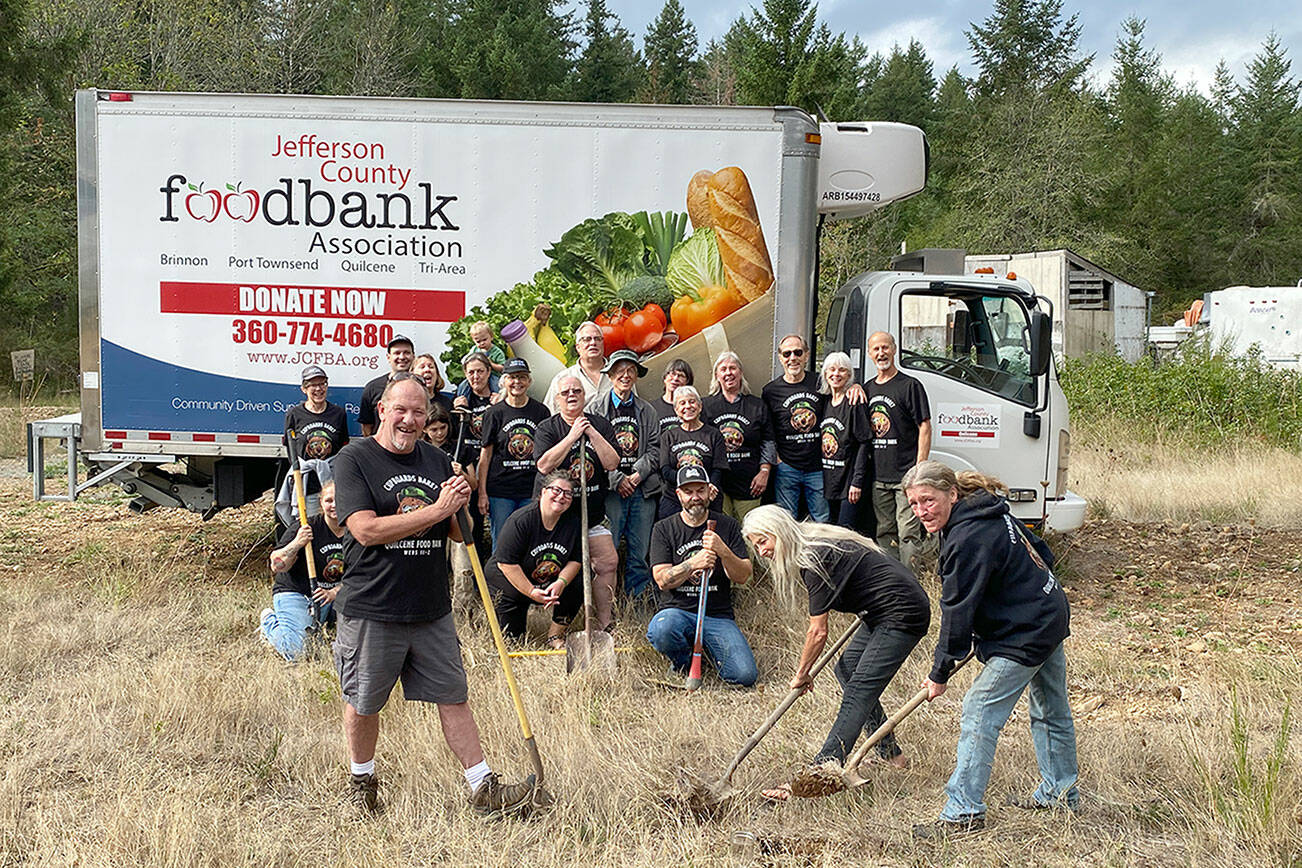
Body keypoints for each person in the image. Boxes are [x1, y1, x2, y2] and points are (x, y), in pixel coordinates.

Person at [331, 376, 536, 816]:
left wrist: (459, 501)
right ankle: (361, 780)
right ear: (382, 410)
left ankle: (483, 787)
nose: (410, 419)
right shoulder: (355, 459)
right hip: (373, 606)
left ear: (428, 416)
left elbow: (461, 534)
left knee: (453, 695)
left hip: (430, 606)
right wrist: (438, 509)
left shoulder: (438, 460)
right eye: (401, 410)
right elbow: (365, 530)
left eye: (419, 412)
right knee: (364, 702)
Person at [903, 460, 1077, 839]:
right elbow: (1041, 553)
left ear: (951, 494)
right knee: (1050, 708)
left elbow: (956, 611)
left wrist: (940, 672)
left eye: (928, 500)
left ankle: (963, 812)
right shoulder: (985, 508)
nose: (921, 511)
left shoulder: (970, 537)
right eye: (914, 504)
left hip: (1028, 628)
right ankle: (1060, 795)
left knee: (980, 708)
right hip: (1048, 610)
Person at [740, 505, 929, 799]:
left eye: (763, 541)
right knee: (847, 669)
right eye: (755, 544)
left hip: (902, 612)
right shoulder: (812, 542)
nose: (761, 550)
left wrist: (801, 674)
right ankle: (891, 754)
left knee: (859, 689)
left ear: (779, 531)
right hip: (880, 612)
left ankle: (822, 770)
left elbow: (817, 632)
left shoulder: (815, 558)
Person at [647, 466, 756, 686]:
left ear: (709, 491)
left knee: (744, 676)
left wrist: (722, 550)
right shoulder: (663, 529)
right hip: (678, 611)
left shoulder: (727, 526)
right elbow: (662, 580)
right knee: (662, 629)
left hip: (717, 615)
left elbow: (743, 576)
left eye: (700, 490)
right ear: (679, 495)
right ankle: (683, 662)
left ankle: (709, 651)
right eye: (688, 492)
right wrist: (692, 563)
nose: (695, 497)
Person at [534, 374, 621, 632]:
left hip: (592, 513)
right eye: (565, 393)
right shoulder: (548, 428)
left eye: (577, 391)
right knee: (568, 573)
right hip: (559, 518)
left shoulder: (601, 425)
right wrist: (572, 437)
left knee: (608, 562)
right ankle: (556, 631)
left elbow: (612, 463)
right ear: (557, 398)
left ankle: (605, 624)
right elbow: (543, 465)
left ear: (584, 396)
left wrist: (590, 432)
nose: (571, 395)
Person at [589, 350, 662, 599]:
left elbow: (655, 448)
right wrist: (617, 479)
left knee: (640, 552)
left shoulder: (647, 411)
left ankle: (636, 604)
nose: (625, 375)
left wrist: (637, 475)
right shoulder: (596, 409)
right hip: (611, 492)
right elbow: (591, 450)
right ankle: (607, 604)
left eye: (631, 370)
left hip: (642, 490)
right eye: (619, 370)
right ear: (609, 374)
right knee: (607, 552)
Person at [485, 471, 583, 647]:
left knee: (579, 580)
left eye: (568, 493)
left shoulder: (573, 522)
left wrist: (561, 582)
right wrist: (531, 592)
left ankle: (555, 635)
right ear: (543, 491)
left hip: (548, 578)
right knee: (513, 642)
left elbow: (576, 560)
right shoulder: (521, 520)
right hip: (511, 579)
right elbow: (506, 564)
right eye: (556, 490)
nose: (561, 496)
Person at [260, 479, 346, 661]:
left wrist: (335, 592)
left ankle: (321, 625)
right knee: (297, 652)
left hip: (335, 596)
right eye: (329, 500)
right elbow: (277, 565)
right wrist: (297, 543)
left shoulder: (357, 530)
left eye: (339, 499)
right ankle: (269, 622)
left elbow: (364, 575)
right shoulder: (306, 526)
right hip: (297, 593)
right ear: (321, 503)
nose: (334, 505)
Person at [867, 331, 932, 571]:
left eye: (885, 347)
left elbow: (924, 426)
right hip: (879, 477)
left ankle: (911, 581)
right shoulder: (867, 389)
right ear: (870, 353)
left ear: (894, 350)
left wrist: (919, 470)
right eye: (876, 349)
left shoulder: (910, 386)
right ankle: (893, 580)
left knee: (908, 532)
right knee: (885, 532)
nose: (881, 353)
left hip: (906, 476)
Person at [478, 358, 551, 550]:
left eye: (521, 377)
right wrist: (482, 493)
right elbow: (485, 457)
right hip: (501, 492)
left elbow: (548, 454)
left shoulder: (541, 412)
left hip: (531, 490)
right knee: (502, 543)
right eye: (512, 377)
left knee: (530, 543)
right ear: (503, 381)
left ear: (529, 381)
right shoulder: (494, 413)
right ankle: (498, 580)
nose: (517, 382)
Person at [762, 334, 831, 522]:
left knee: (822, 519)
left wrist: (854, 387)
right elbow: (767, 429)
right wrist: (777, 459)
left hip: (817, 466)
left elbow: (840, 397)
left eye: (798, 352)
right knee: (786, 522)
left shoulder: (821, 383)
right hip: (787, 467)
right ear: (780, 358)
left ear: (807, 355)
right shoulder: (770, 391)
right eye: (787, 354)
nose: (792, 358)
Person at [702, 351, 774, 523]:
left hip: (749, 482)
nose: (728, 373)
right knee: (722, 532)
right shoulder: (706, 406)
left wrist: (765, 471)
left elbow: (768, 441)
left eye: (733, 368)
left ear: (740, 372)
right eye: (723, 369)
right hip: (718, 485)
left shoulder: (757, 405)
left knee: (751, 532)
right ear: (717, 375)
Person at [657, 385, 728, 519]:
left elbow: (719, 468)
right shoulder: (668, 436)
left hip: (706, 497)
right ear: (676, 410)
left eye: (692, 401)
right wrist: (687, 483)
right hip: (674, 499)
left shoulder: (714, 434)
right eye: (682, 403)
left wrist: (708, 486)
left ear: (700, 406)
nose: (688, 406)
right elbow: (665, 470)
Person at [819, 352, 872, 530]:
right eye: (832, 370)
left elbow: (864, 444)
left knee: (846, 533)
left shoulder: (855, 402)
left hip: (848, 484)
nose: (836, 374)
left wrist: (857, 482)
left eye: (842, 370)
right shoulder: (824, 402)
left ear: (849, 375)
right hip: (828, 482)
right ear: (825, 374)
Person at [452, 352, 496, 554]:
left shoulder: (497, 399)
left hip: (493, 466)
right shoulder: (461, 400)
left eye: (480, 371)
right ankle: (475, 569)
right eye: (471, 372)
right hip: (468, 466)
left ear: (488, 372)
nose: (476, 376)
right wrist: (457, 411)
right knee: (473, 522)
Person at [283, 365, 349, 462]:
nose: (318, 389)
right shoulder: (294, 414)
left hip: (331, 473)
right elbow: (289, 445)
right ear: (304, 389)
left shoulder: (339, 413)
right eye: (313, 385)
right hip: (304, 473)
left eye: (322, 384)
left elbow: (344, 443)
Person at [542, 321, 611, 408]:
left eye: (597, 339)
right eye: (587, 339)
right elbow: (550, 412)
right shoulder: (562, 378)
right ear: (578, 347)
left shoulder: (620, 375)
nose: (593, 343)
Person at [358, 335, 416, 436]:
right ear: (388, 357)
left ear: (413, 356)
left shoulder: (420, 387)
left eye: (406, 353)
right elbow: (366, 426)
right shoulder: (372, 388)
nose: (402, 357)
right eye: (397, 353)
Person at [654, 359, 694, 436]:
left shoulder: (692, 407)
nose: (675, 378)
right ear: (665, 378)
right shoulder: (652, 408)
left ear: (687, 382)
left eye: (681, 375)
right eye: (672, 374)